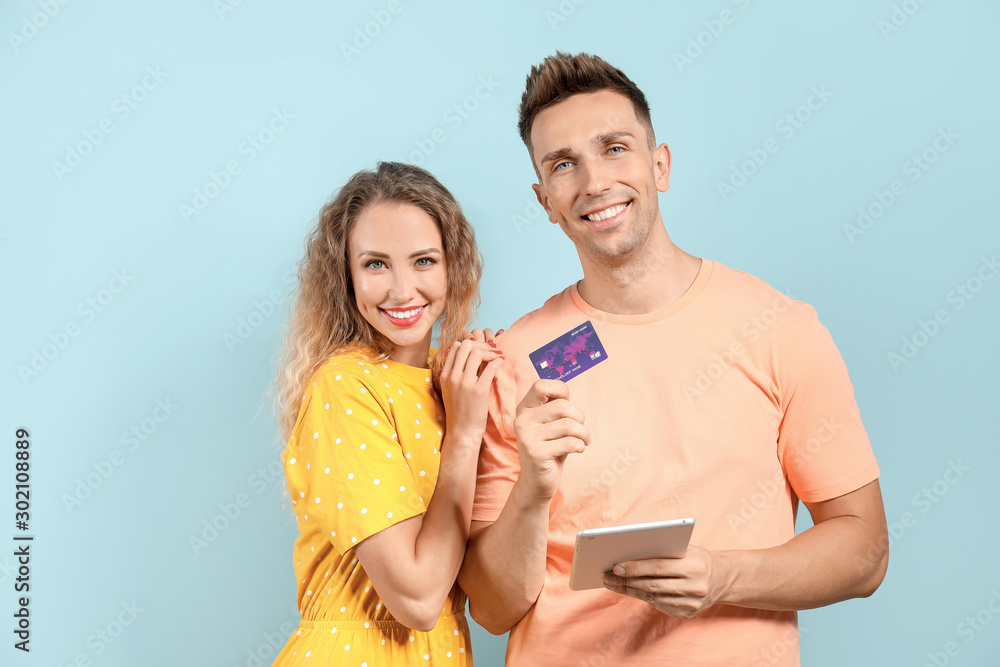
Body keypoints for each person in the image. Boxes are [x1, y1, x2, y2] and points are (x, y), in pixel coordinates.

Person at [459, 52, 889, 665]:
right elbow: (494, 610)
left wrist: (722, 577)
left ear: (659, 165)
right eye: (563, 165)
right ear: (545, 201)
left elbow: (865, 549)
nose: (594, 182)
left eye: (614, 148)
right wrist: (531, 486)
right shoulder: (515, 361)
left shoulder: (779, 329)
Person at [273, 161, 502, 665]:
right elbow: (418, 599)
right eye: (376, 264)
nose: (402, 290)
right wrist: (465, 434)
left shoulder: (450, 384)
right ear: (346, 277)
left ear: (453, 266)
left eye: (423, 261)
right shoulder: (345, 386)